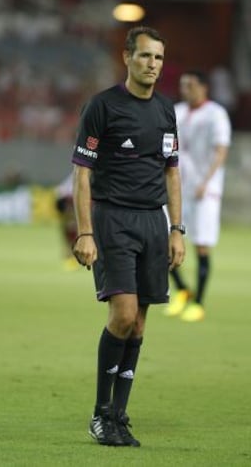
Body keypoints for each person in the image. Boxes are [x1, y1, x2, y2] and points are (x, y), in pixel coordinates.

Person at [71, 26, 185, 447]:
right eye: (144, 57)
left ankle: (119, 416)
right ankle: (101, 414)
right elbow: (82, 173)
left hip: (154, 223)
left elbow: (172, 171)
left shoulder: (167, 111)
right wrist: (85, 231)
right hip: (112, 219)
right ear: (127, 58)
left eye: (158, 58)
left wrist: (177, 228)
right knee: (122, 314)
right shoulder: (102, 107)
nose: (152, 64)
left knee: (137, 324)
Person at [163, 70, 231, 322]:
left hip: (205, 191)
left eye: (190, 85)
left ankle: (199, 302)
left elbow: (221, 150)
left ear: (204, 87)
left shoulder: (216, 113)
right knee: (165, 241)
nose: (185, 90)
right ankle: (182, 291)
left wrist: (207, 181)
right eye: (182, 85)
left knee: (201, 246)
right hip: (179, 188)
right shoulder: (177, 111)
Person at [54, 172, 79, 271]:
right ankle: (69, 253)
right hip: (67, 198)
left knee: (71, 227)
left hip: (69, 198)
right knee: (69, 227)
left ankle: (71, 253)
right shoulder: (77, 173)